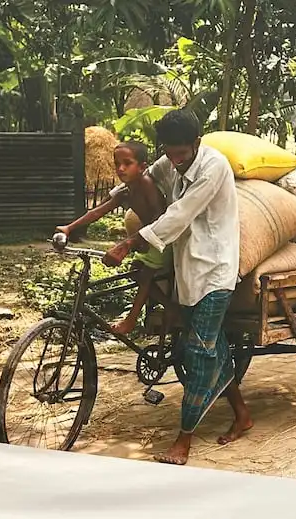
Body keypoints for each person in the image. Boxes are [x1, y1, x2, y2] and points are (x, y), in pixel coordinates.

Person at [103, 109, 252, 466]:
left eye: (181, 154)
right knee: (210, 347)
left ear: (196, 144)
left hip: (215, 268)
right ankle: (243, 415)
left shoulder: (213, 167)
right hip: (187, 266)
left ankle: (183, 439)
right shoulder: (169, 161)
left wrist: (129, 243)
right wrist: (116, 196)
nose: (175, 161)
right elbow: (143, 177)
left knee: (198, 353)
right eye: (169, 153)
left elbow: (180, 214)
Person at [56, 141, 170, 335]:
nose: (121, 168)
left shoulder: (147, 185)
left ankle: (131, 320)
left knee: (145, 275)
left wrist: (134, 241)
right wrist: (69, 228)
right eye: (117, 163)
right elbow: (97, 212)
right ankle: (171, 307)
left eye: (127, 163)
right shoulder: (126, 191)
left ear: (142, 167)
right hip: (148, 239)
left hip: (163, 239)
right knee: (136, 272)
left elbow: (159, 218)